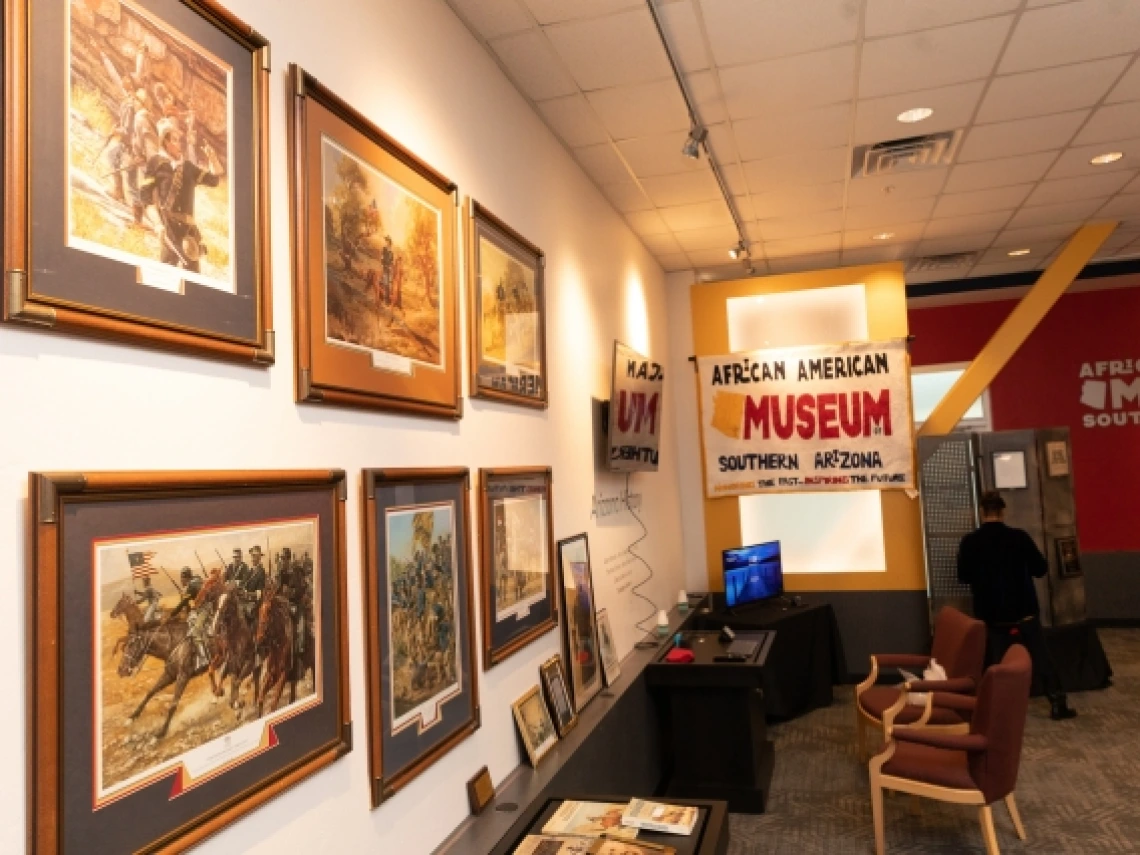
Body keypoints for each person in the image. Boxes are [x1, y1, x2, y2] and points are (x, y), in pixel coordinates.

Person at [957, 491, 1077, 720]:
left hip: (992, 615)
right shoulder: (1019, 538)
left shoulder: (970, 542)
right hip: (1024, 611)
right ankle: (1057, 703)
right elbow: (1040, 569)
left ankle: (996, 709)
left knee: (997, 661)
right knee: (1041, 657)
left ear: (982, 511)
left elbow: (963, 576)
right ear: (1003, 511)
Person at [139, 113, 223, 273]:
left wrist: (213, 158)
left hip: (189, 232)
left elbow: (214, 180)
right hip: (169, 229)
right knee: (166, 273)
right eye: (175, 140)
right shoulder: (156, 163)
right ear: (165, 142)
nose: (180, 145)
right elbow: (145, 197)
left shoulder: (188, 167)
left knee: (194, 278)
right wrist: (157, 224)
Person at [167, 566, 208, 670]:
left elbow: (184, 602)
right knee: (190, 622)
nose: (181, 581)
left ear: (185, 577)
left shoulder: (192, 585)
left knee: (196, 632)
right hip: (201, 608)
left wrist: (172, 614)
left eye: (182, 578)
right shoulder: (197, 580)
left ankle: (204, 659)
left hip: (205, 608)